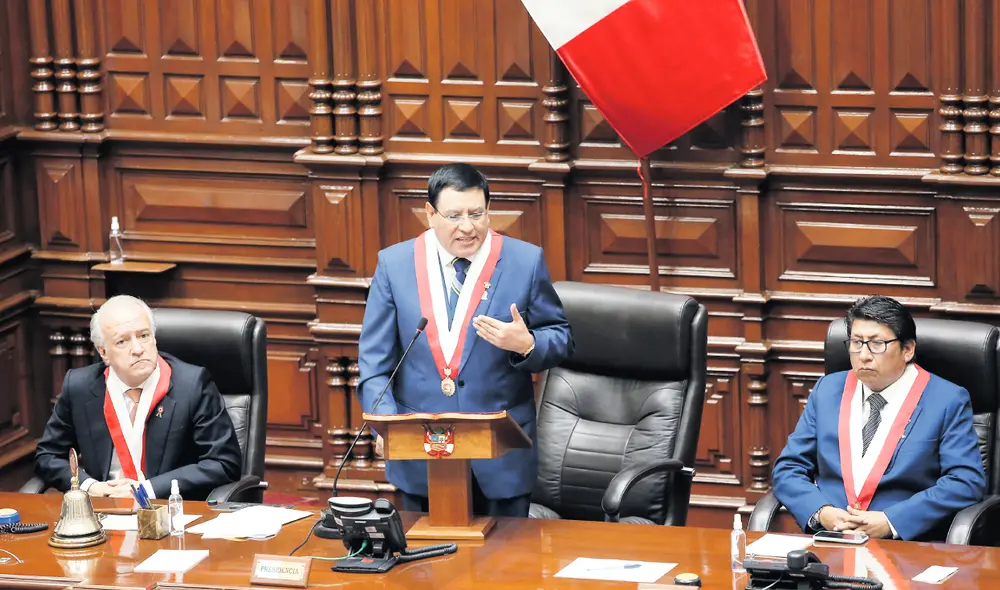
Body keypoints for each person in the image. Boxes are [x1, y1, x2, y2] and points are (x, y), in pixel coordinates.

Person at [357, 163, 573, 517]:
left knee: (506, 565)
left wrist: (527, 345)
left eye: (477, 213)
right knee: (424, 567)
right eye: (454, 215)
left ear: (489, 210)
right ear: (430, 213)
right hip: (419, 451)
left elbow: (561, 338)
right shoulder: (395, 264)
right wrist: (387, 426)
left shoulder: (524, 260)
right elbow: (374, 363)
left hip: (501, 452)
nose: (468, 227)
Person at [773, 295, 986, 541]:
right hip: (830, 541)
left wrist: (892, 521)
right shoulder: (828, 390)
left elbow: (965, 481)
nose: (863, 355)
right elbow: (788, 468)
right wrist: (821, 512)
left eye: (877, 344)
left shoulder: (947, 400)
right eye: (856, 343)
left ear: (907, 350)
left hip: (905, 546)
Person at [35, 295, 242, 500]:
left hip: (167, 511)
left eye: (143, 336)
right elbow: (48, 456)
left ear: (154, 338)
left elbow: (223, 463)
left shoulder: (192, 385)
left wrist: (148, 490)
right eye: (122, 341)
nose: (138, 349)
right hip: (103, 512)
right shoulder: (80, 386)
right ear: (104, 352)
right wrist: (89, 486)